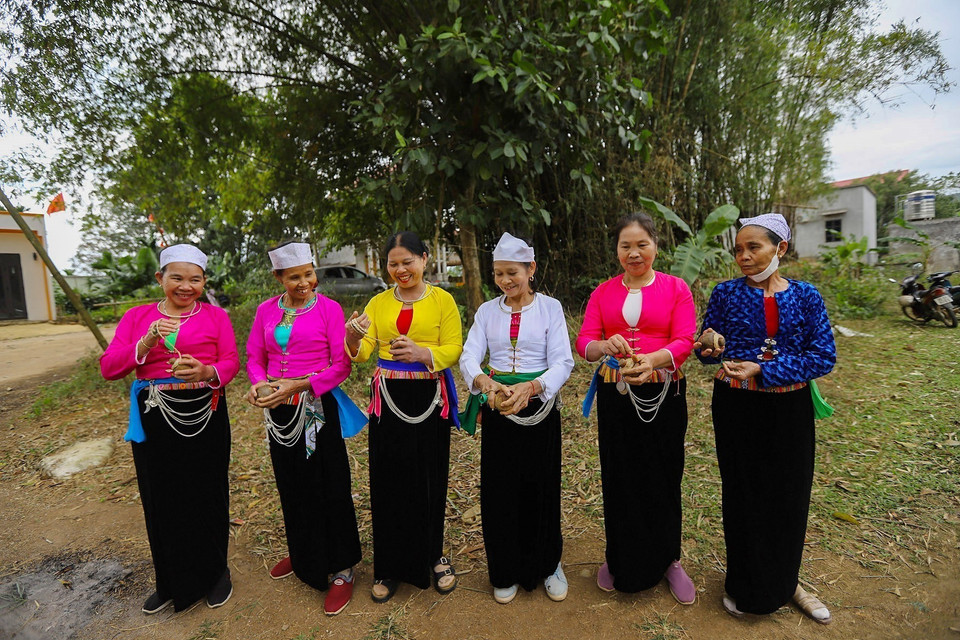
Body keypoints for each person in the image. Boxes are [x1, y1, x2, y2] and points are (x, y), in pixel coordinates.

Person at [695, 213, 836, 624]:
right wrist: (709, 343)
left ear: (781, 249)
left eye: (753, 247)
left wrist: (764, 369)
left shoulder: (807, 296)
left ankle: (787, 582)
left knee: (787, 497)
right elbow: (706, 348)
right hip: (736, 408)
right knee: (742, 495)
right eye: (738, 249)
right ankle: (745, 583)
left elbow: (823, 356)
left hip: (788, 411)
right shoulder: (725, 293)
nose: (743, 256)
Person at [100, 244, 239, 613]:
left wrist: (208, 372)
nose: (185, 286)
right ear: (161, 278)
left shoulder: (215, 317)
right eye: (176, 277)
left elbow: (230, 361)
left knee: (208, 491)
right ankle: (170, 580)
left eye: (195, 279)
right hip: (155, 416)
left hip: (205, 413)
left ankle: (215, 574)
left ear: (204, 281)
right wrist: (145, 341)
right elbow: (109, 366)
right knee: (161, 497)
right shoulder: (137, 316)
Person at [575, 212, 698, 603]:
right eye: (625, 246)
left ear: (656, 246)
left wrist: (655, 359)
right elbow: (585, 343)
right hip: (617, 397)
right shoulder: (603, 292)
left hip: (665, 395)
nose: (633, 253)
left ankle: (669, 560)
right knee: (619, 475)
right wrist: (603, 347)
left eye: (641, 244)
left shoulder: (677, 288)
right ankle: (619, 558)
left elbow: (685, 340)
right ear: (617, 250)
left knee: (663, 475)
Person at [245, 241, 365, 616]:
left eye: (308, 274)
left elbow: (341, 365)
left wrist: (299, 384)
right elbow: (254, 356)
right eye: (294, 276)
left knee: (330, 484)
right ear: (279, 277)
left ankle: (343, 568)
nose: (304, 282)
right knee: (292, 483)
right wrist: (260, 384)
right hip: (280, 412)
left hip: (316, 406)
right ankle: (303, 554)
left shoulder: (329, 309)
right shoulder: (266, 310)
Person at [344, 231, 463, 603]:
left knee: (430, 476)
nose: (401, 269)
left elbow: (454, 347)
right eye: (393, 264)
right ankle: (390, 565)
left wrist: (423, 353)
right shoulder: (378, 302)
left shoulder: (444, 300)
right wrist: (351, 337)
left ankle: (434, 555)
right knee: (389, 479)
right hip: (388, 400)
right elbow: (363, 351)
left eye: (407, 261)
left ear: (425, 259)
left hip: (429, 397)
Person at [459, 233, 575, 605]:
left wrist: (534, 387)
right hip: (498, 407)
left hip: (539, 409)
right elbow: (468, 356)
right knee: (500, 489)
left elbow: (563, 360)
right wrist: (484, 383)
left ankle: (548, 563)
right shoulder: (487, 312)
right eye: (499, 274)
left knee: (541, 486)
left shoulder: (550, 308)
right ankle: (504, 568)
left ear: (531, 270)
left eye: (513, 273)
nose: (506, 281)